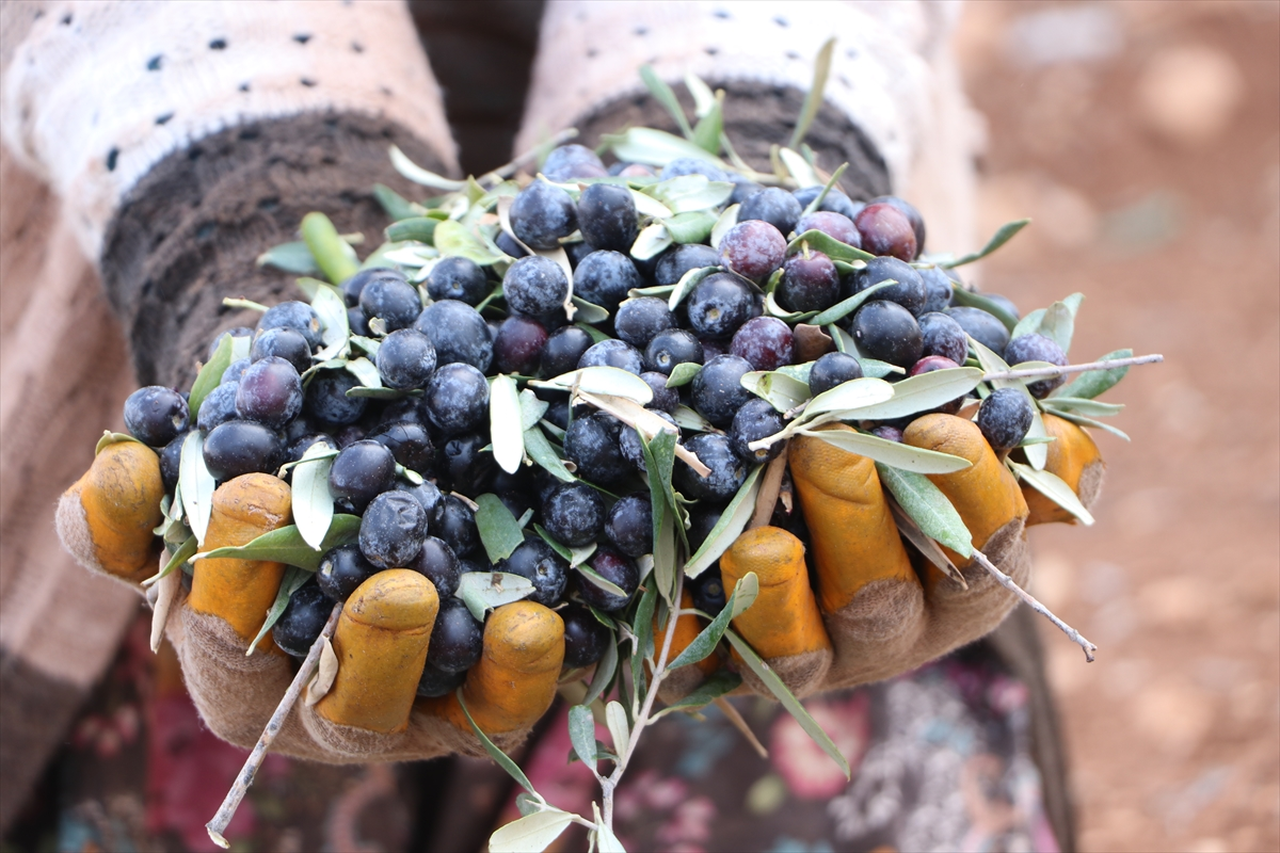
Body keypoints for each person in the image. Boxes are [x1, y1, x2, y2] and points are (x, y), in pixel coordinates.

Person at [1, 2, 1087, 850]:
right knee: (287, 619)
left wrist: (731, 130)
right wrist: (235, 184)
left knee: (770, 576)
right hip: (108, 220)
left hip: (730, 507)